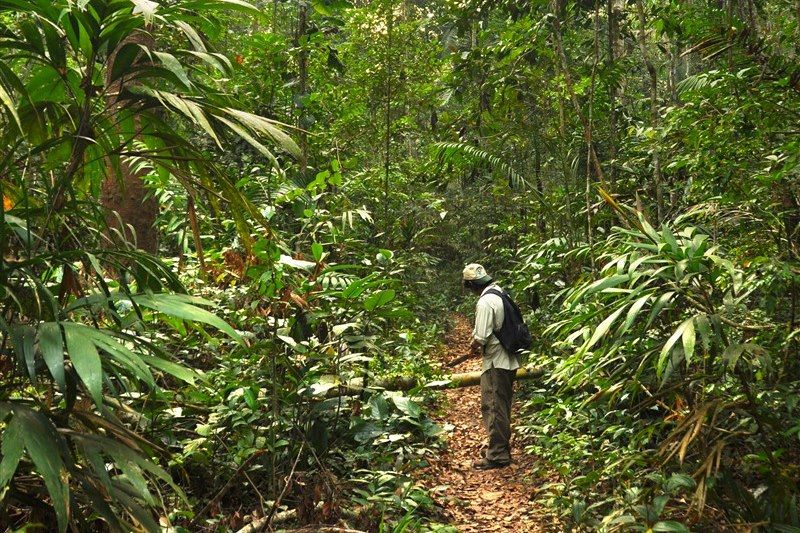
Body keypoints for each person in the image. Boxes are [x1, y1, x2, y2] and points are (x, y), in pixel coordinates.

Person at [462, 263, 520, 470]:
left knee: (494, 407)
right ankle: (500, 448)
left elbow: (482, 336)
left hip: (496, 362)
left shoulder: (486, 301)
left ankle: (497, 455)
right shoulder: (500, 293)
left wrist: (473, 346)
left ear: (471, 285)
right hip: (508, 360)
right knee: (501, 406)